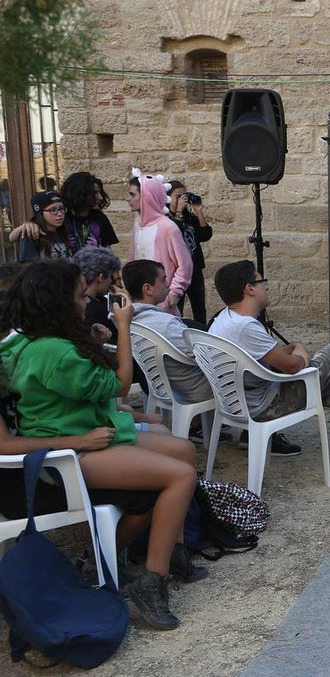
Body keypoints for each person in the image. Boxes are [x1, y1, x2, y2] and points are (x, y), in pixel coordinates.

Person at [0, 260, 198, 629]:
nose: (85, 300)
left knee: (184, 450)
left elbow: (76, 385)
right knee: (181, 475)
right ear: (58, 303)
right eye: (79, 295)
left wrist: (92, 340)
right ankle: (152, 581)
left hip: (86, 435)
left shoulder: (37, 340)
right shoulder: (54, 352)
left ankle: (174, 549)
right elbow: (121, 383)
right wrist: (124, 327)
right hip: (69, 455)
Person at [208, 260, 330, 468]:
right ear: (249, 289)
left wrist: (293, 352)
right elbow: (294, 366)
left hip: (240, 402)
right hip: (264, 406)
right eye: (262, 281)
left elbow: (272, 355)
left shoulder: (225, 319)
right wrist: (300, 347)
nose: (266, 286)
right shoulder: (245, 327)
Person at [122, 259, 213, 406]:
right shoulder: (165, 324)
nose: (168, 284)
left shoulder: (128, 319)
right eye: (163, 280)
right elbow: (206, 354)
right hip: (193, 390)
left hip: (164, 387)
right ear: (148, 289)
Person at [128, 170, 193, 315]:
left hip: (162, 306)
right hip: (140, 303)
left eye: (133, 194)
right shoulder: (138, 225)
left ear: (147, 197)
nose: (128, 199)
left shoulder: (167, 227)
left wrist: (174, 292)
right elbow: (133, 261)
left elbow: (185, 264)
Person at [166, 181, 213, 325]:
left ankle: (203, 335)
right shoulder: (165, 218)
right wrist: (178, 211)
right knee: (175, 307)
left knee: (199, 307)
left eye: (184, 196)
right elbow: (175, 232)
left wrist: (198, 211)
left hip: (194, 268)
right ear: (168, 198)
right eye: (178, 196)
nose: (182, 199)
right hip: (176, 272)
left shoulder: (189, 217)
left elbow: (205, 235)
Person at [74, 246, 122, 342]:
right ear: (101, 277)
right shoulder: (98, 310)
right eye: (110, 277)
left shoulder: (74, 301)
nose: (110, 282)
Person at [15, 190, 69, 262]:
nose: (59, 214)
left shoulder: (62, 231)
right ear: (40, 214)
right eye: (53, 210)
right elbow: (28, 268)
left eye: (61, 208)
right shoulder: (31, 234)